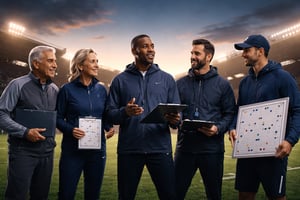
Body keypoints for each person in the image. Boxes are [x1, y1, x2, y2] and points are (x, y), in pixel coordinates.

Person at [106, 34, 180, 200]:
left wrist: (175, 120)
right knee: (125, 196)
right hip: (130, 150)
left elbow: (177, 114)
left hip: (160, 149)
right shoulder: (120, 80)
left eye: (152, 46)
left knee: (169, 195)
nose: (151, 49)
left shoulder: (167, 79)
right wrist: (125, 112)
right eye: (146, 46)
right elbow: (109, 114)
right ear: (134, 50)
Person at [229, 34, 300, 200]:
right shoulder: (245, 82)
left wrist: (290, 140)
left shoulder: (283, 77)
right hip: (247, 152)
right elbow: (238, 112)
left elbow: (297, 110)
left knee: (276, 197)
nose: (243, 54)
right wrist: (233, 128)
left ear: (260, 51)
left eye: (247, 50)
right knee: (245, 195)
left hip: (273, 153)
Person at [174, 39, 236, 200]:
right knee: (174, 193)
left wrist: (218, 128)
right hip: (185, 148)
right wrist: (176, 118)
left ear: (208, 57)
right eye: (191, 53)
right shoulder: (180, 83)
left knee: (214, 195)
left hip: (212, 150)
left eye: (197, 53)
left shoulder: (223, 84)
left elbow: (230, 113)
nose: (192, 56)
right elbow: (175, 112)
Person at [0, 46, 58, 200]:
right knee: (16, 196)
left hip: (47, 153)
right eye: (50, 60)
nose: (55, 65)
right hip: (23, 152)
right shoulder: (17, 85)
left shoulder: (54, 89)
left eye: (55, 61)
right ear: (36, 64)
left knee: (41, 196)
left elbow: (60, 118)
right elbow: (1, 114)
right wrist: (25, 132)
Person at [56, 48, 115, 200]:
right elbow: (56, 118)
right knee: (66, 194)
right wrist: (70, 130)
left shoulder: (101, 90)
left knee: (93, 195)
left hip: (97, 152)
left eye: (97, 61)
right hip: (72, 152)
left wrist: (109, 127)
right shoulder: (67, 90)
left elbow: (104, 115)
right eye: (92, 61)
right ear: (80, 66)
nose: (97, 65)